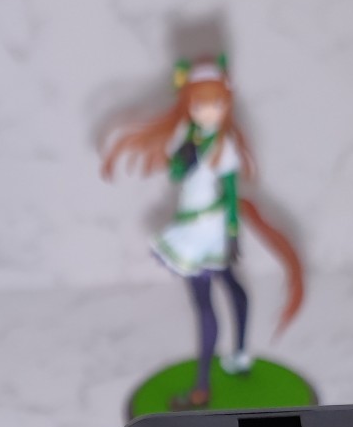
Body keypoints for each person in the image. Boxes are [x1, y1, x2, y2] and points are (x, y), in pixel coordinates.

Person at [101, 55, 303, 409]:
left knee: (207, 302)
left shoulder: (225, 145)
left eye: (216, 104)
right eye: (200, 104)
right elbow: (177, 174)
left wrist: (232, 231)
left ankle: (206, 384)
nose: (209, 111)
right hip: (190, 224)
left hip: (209, 230)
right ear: (188, 103)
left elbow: (230, 190)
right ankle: (236, 357)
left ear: (226, 103)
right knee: (226, 289)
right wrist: (186, 156)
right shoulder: (187, 134)